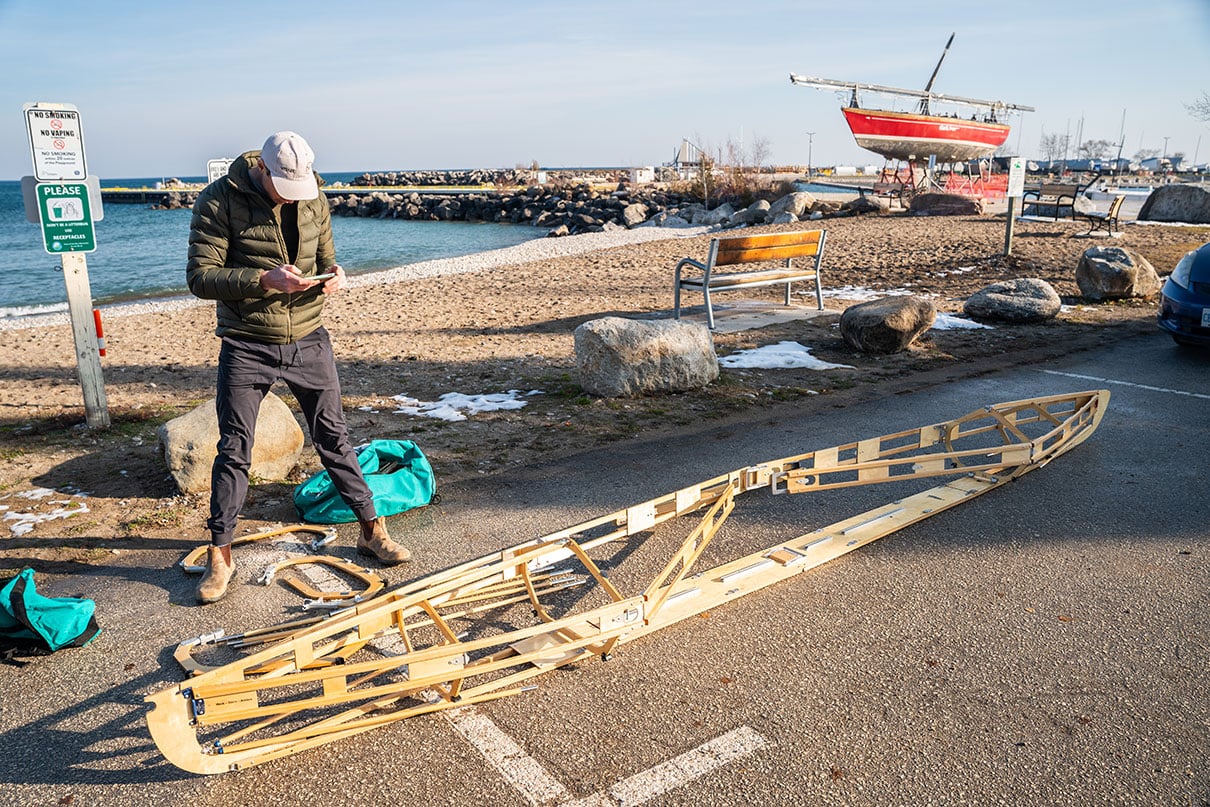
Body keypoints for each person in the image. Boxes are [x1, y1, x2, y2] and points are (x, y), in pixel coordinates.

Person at [186, 131, 411, 605]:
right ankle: (220, 553)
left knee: (335, 438)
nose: (293, 193)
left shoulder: (314, 195)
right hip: (247, 343)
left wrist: (335, 275)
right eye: (283, 185)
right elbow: (200, 278)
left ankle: (372, 531)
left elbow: (326, 255)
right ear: (262, 170)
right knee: (234, 449)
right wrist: (262, 280)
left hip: (309, 337)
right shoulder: (218, 200)